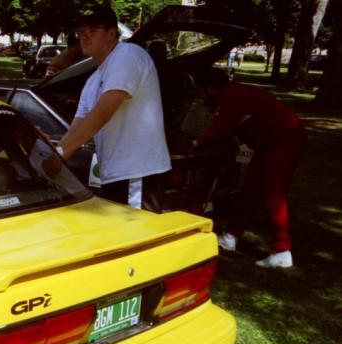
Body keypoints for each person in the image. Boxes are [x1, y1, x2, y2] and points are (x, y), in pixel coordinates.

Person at [57, 5, 171, 212]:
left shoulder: (128, 55)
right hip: (114, 174)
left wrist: (58, 155)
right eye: (81, 32)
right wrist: (53, 153)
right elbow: (77, 128)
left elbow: (102, 114)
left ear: (112, 33)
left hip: (137, 172)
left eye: (92, 31)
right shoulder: (93, 80)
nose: (84, 37)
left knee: (137, 238)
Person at [192, 67, 306, 268]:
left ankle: (282, 250)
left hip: (284, 140)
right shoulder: (233, 93)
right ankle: (231, 236)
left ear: (210, 88)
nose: (200, 96)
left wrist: (195, 143)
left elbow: (221, 128)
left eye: (201, 91)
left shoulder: (233, 98)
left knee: (274, 195)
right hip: (269, 143)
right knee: (251, 190)